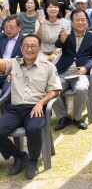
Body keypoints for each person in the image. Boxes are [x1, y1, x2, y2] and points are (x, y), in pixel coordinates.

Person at [0, 34, 62, 179]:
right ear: (21, 48)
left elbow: (55, 90)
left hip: (35, 107)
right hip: (15, 109)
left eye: (33, 46)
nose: (29, 49)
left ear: (39, 48)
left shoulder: (48, 66)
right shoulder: (13, 63)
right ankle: (20, 156)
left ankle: (33, 161)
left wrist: (41, 103)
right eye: (26, 46)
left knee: (33, 129)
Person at [52, 9, 92, 131]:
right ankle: (63, 117)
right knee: (50, 88)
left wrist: (86, 67)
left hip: (80, 73)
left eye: (83, 20)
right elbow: (58, 45)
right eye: (77, 20)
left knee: (81, 89)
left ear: (87, 22)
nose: (80, 22)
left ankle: (77, 118)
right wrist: (62, 40)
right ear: (72, 22)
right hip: (63, 71)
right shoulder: (66, 34)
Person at [0, 15, 24, 94]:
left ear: (19, 28)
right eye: (6, 26)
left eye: (11, 27)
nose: (8, 29)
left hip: (13, 72)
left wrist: (13, 71)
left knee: (6, 91)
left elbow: (26, 61)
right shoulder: (1, 37)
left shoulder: (24, 41)